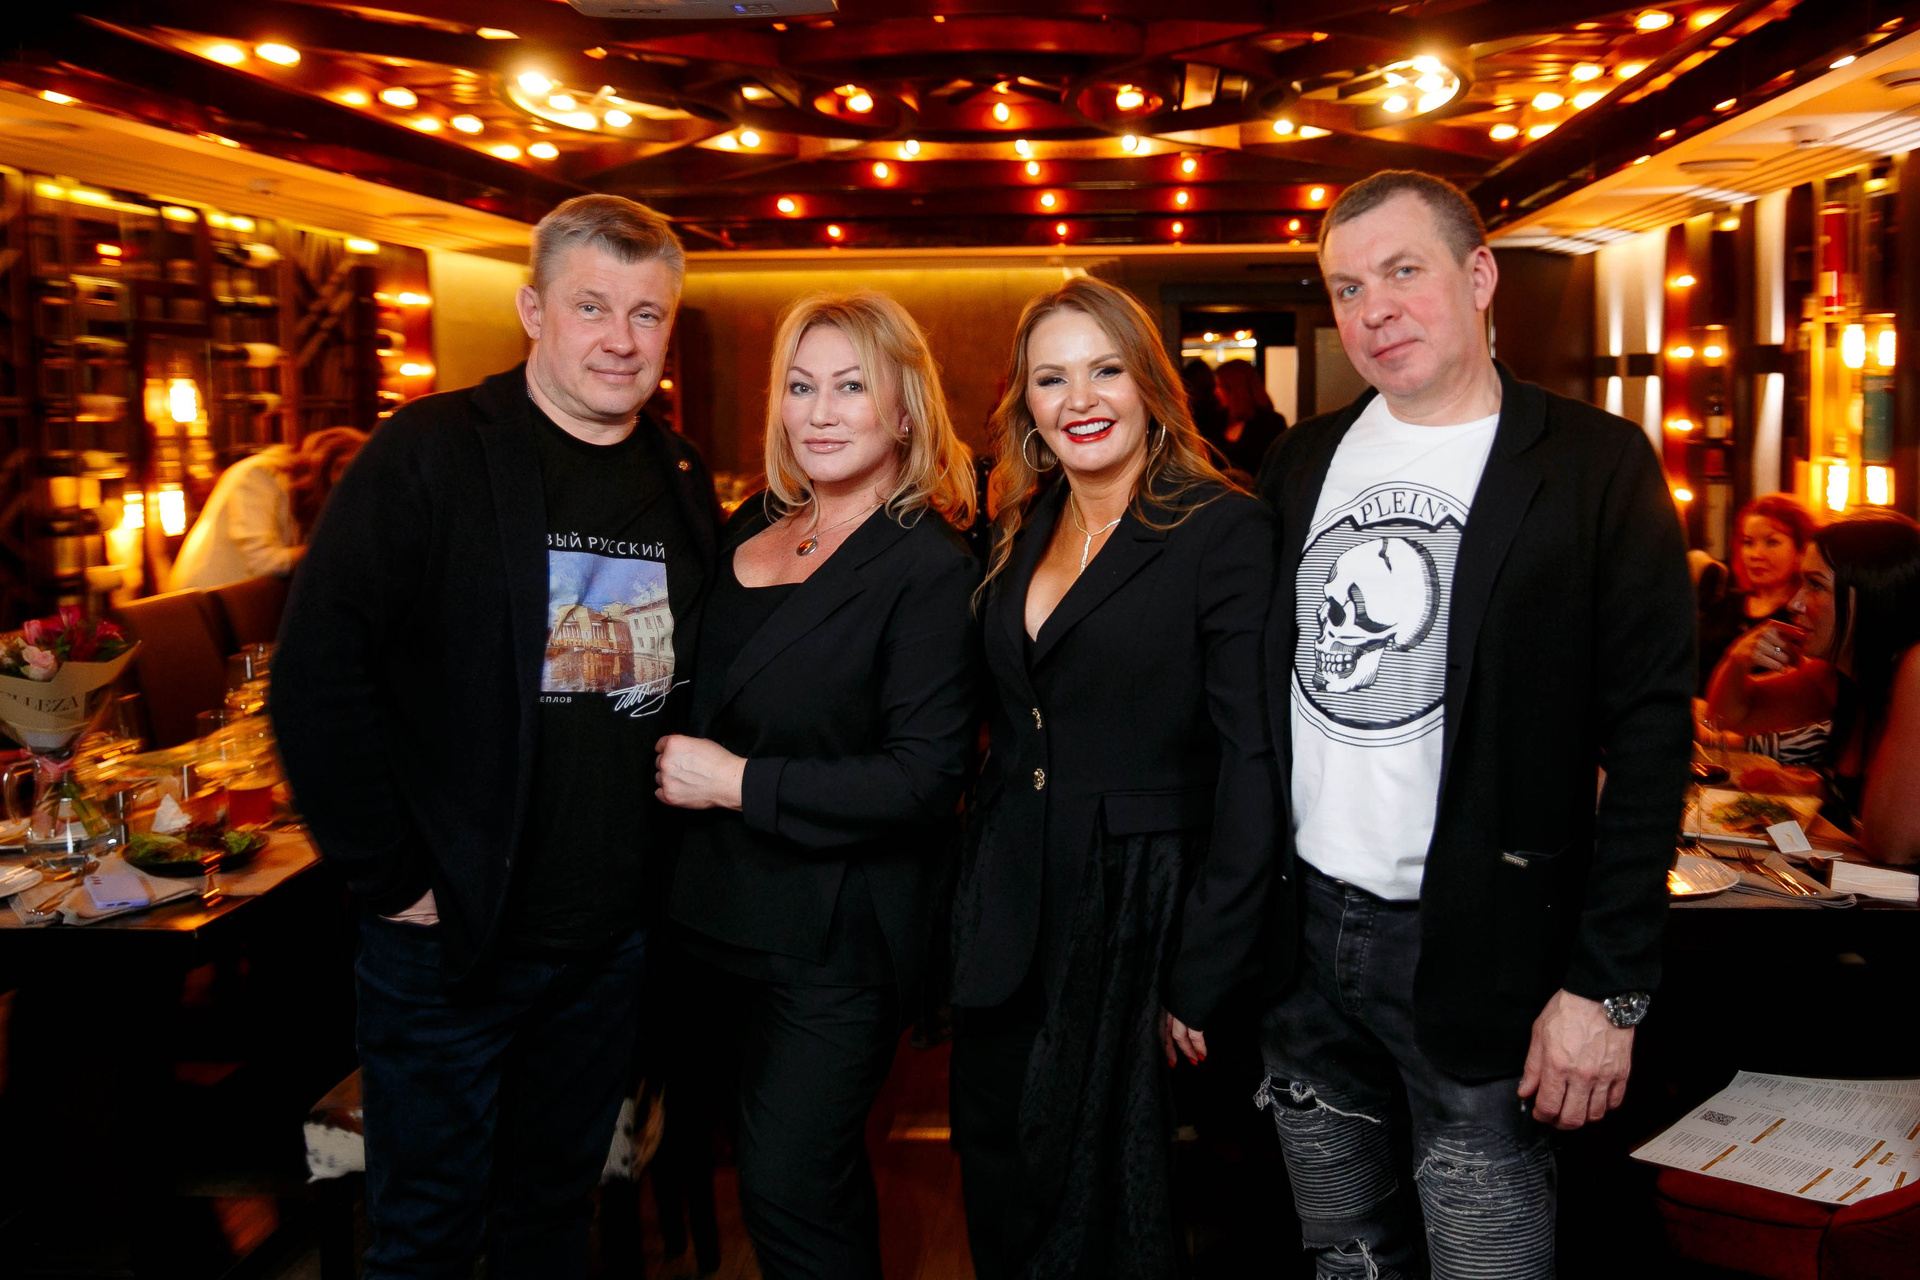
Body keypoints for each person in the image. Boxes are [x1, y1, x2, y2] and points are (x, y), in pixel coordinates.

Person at [1254, 170, 1695, 1278]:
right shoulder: (1301, 460)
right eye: (1348, 288)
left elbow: (1650, 741)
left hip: (1485, 951)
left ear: (1480, 275)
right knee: (1345, 1258)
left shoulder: (1595, 463)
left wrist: (1607, 988)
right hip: (1304, 945)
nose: (1375, 310)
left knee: (1487, 1262)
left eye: (1403, 271)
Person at [270, 195, 718, 1279]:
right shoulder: (430, 452)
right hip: (452, 940)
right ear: (532, 310)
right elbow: (316, 674)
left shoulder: (681, 477)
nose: (621, 338)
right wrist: (390, 876)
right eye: (591, 306)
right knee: (426, 1233)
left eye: (647, 314)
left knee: (551, 1222)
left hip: (606, 943)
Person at [949, 276, 1276, 1278]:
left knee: (1105, 1206)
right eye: (1052, 378)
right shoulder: (1023, 520)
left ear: (1148, 383)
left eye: (1105, 370)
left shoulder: (1221, 527)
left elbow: (1254, 764)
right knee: (997, 1163)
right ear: (1027, 401)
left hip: (1141, 914)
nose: (1080, 399)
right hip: (1011, 904)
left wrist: (1204, 971)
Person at [654, 291, 980, 1280]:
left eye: (851, 387)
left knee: (790, 1185)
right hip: (707, 913)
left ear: (905, 410)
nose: (821, 412)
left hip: (834, 936)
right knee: (765, 1177)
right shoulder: (751, 521)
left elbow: (924, 780)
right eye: (801, 387)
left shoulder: (928, 561)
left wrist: (737, 781)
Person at [1706, 511, 1920, 864]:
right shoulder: (1841, 674)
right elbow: (1727, 717)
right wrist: (1736, 659)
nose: (1794, 603)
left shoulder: (1914, 666)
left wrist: (1825, 790)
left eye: (1815, 585)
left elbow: (1892, 845)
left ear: (1872, 596)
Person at [169, 427, 367, 590]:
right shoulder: (258, 475)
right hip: (205, 607)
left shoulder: (290, 487)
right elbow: (262, 561)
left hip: (234, 602)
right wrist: (329, 548)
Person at [1697, 494, 1819, 690]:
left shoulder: (1803, 617)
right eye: (1748, 543)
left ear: (1801, 550)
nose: (1755, 555)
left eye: (1771, 542)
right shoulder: (1722, 604)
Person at [1208, 359, 1288, 477]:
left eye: (1220, 386)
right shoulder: (1217, 421)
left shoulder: (1270, 424)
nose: (1215, 391)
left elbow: (1277, 468)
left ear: (1236, 390)